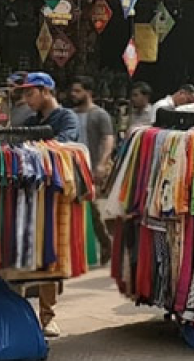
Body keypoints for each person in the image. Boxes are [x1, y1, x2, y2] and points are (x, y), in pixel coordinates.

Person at [17, 72, 79, 338]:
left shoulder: (66, 118)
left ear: (46, 91)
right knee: (25, 251)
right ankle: (18, 313)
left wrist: (34, 148)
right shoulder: (31, 121)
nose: (26, 99)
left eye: (30, 93)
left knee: (51, 254)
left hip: (55, 193)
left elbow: (64, 146)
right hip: (30, 192)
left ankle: (48, 315)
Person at [69, 76, 115, 265]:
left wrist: (102, 163)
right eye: (73, 91)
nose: (74, 94)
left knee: (94, 208)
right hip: (73, 167)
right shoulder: (69, 114)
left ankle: (106, 244)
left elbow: (108, 139)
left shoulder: (99, 114)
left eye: (78, 91)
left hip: (91, 166)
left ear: (89, 92)